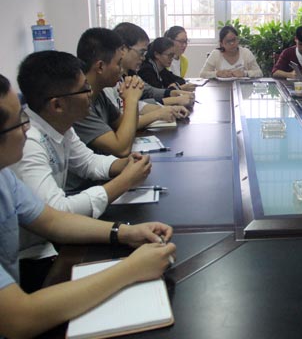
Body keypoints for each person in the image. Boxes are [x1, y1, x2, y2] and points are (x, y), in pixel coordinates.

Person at [0, 73, 176, 338]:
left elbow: (52, 220)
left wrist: (124, 232)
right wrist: (131, 269)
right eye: (18, 121)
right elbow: (20, 318)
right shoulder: (32, 144)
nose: (27, 128)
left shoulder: (4, 176)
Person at [13, 51, 151, 222]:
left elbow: (88, 162)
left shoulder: (60, 124)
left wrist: (124, 164)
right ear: (57, 105)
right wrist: (125, 181)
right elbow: (56, 212)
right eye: (84, 89)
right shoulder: (27, 142)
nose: (90, 93)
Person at [73, 28, 144, 157]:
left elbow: (125, 125)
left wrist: (133, 94)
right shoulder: (77, 103)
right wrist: (131, 100)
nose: (121, 70)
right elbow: (121, 149)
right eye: (118, 63)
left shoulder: (99, 94)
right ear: (100, 66)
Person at [114, 22, 194, 108]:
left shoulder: (131, 73)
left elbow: (148, 91)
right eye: (141, 52)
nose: (143, 58)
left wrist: (171, 93)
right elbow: (127, 108)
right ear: (123, 49)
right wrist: (172, 100)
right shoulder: (144, 70)